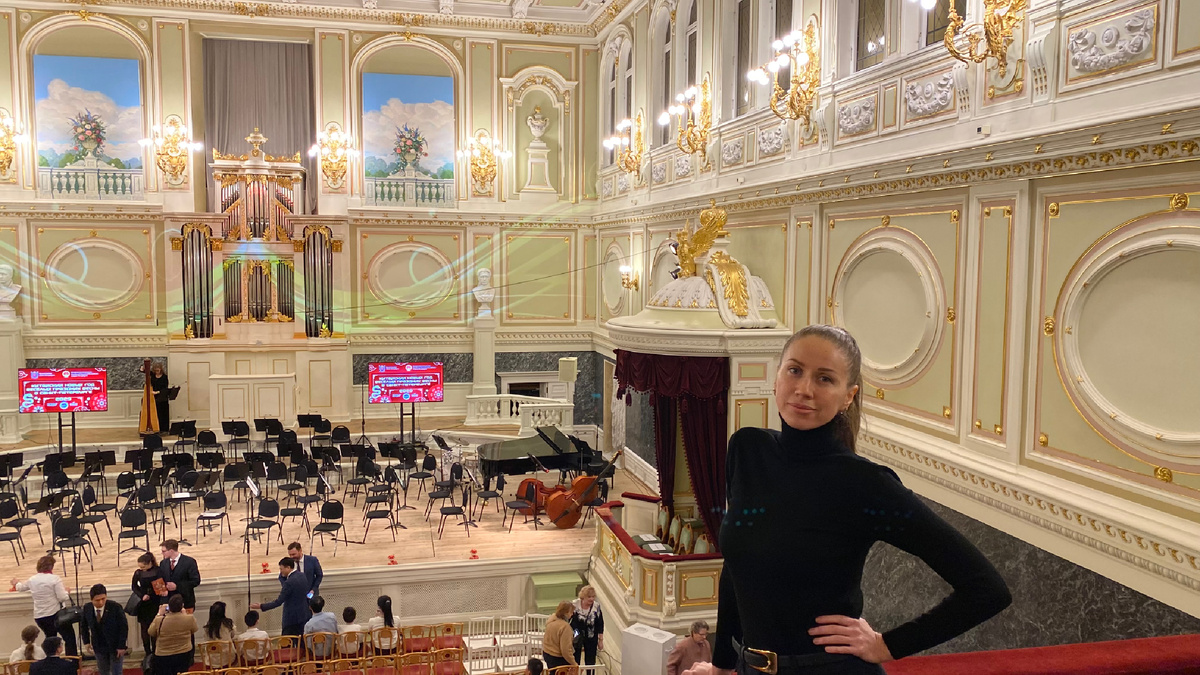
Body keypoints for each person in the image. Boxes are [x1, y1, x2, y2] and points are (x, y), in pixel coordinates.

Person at [713, 325, 1012, 675]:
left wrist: (888, 645)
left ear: (848, 396)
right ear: (776, 377)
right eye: (794, 370)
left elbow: (987, 589)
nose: (804, 389)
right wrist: (722, 665)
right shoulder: (747, 449)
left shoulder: (866, 484)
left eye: (825, 379)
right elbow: (737, 566)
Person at [12, 555, 77, 656]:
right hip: (56, 615)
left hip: (40, 617)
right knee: (69, 638)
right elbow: (62, 597)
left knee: (50, 642)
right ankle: (73, 661)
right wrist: (67, 592)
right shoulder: (55, 579)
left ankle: (50, 662)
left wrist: (16, 583)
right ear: (51, 567)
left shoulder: (32, 579)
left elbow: (21, 587)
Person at [251, 558, 309, 637]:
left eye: (281, 569)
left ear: (288, 567)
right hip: (304, 615)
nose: (281, 571)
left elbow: (278, 602)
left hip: (291, 619)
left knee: (288, 642)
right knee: (302, 641)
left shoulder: (289, 583)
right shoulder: (302, 575)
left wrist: (261, 606)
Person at [79, 584, 127, 675]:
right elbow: (84, 626)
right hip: (98, 646)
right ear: (91, 599)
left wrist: (122, 646)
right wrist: (86, 642)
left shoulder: (115, 607)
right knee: (103, 671)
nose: (101, 602)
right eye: (97, 600)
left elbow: (123, 627)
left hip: (115, 646)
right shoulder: (87, 608)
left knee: (116, 672)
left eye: (103, 599)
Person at [148, 595, 197, 675]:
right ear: (182, 606)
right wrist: (185, 614)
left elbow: (151, 632)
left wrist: (159, 614)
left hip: (163, 655)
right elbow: (194, 629)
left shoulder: (159, 620)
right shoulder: (189, 618)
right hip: (183, 653)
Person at [131, 552, 167, 653]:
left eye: (143, 567)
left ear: (150, 563)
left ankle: (155, 651)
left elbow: (160, 589)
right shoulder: (138, 573)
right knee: (144, 628)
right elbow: (134, 586)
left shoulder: (158, 571)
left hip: (155, 601)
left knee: (155, 627)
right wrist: (142, 595)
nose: (141, 569)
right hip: (143, 603)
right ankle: (147, 652)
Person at [159, 540, 201, 612]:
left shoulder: (189, 562)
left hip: (185, 601)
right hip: (168, 603)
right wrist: (162, 590)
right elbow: (160, 578)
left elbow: (196, 581)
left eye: (164, 551)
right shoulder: (163, 563)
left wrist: (177, 586)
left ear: (171, 551)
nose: (162, 553)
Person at [571, 585, 604, 668]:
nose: (591, 599)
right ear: (583, 597)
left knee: (590, 661)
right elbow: (570, 620)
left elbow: (600, 623)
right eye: (589, 597)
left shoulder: (596, 606)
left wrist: (600, 640)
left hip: (591, 636)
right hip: (577, 635)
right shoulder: (575, 604)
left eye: (593, 596)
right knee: (575, 659)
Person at [541, 601, 578, 670]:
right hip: (558, 658)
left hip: (547, 653)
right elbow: (565, 650)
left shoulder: (551, 620)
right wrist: (574, 664)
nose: (572, 614)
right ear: (566, 613)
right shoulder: (565, 627)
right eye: (571, 612)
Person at [201, 601, 235, 667]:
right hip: (227, 659)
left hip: (211, 660)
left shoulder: (207, 626)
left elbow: (206, 639)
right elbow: (233, 635)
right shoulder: (228, 624)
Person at [149, 363, 170, 432]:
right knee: (157, 413)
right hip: (154, 397)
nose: (157, 371)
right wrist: (142, 369)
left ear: (161, 369)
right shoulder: (153, 376)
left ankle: (164, 429)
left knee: (163, 413)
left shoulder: (164, 377)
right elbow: (145, 371)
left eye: (158, 370)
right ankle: (156, 427)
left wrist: (157, 392)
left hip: (162, 397)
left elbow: (165, 388)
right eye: (155, 370)